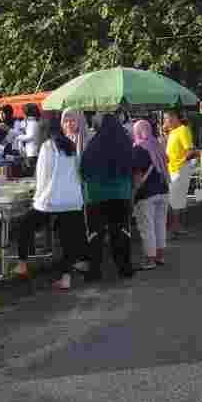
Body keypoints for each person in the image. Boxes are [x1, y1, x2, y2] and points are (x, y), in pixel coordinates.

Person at [15, 111, 86, 289]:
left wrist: (37, 198)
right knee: (67, 240)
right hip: (72, 200)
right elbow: (78, 172)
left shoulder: (48, 146)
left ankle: (22, 264)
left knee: (24, 225)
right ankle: (66, 278)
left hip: (51, 200)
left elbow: (43, 175)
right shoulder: (70, 145)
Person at [80, 113, 134, 280]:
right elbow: (132, 166)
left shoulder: (93, 144)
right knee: (121, 233)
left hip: (95, 197)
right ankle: (124, 269)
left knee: (95, 235)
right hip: (121, 195)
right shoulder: (125, 143)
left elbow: (83, 169)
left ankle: (95, 271)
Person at [131, 119, 169, 271]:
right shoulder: (157, 145)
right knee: (160, 224)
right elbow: (167, 161)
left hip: (147, 193)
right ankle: (160, 256)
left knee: (147, 227)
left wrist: (134, 192)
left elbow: (138, 174)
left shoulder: (139, 149)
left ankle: (150, 259)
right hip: (163, 190)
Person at [163, 109, 197, 239]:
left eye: (166, 118)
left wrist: (180, 163)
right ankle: (176, 227)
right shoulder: (173, 132)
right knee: (176, 201)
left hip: (178, 170)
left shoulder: (183, 130)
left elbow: (190, 150)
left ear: (174, 117)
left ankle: (174, 228)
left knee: (174, 202)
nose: (165, 121)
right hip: (172, 170)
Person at [18, 103, 43, 175]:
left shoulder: (32, 123)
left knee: (31, 171)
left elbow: (30, 136)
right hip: (32, 150)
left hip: (32, 151)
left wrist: (19, 137)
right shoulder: (33, 122)